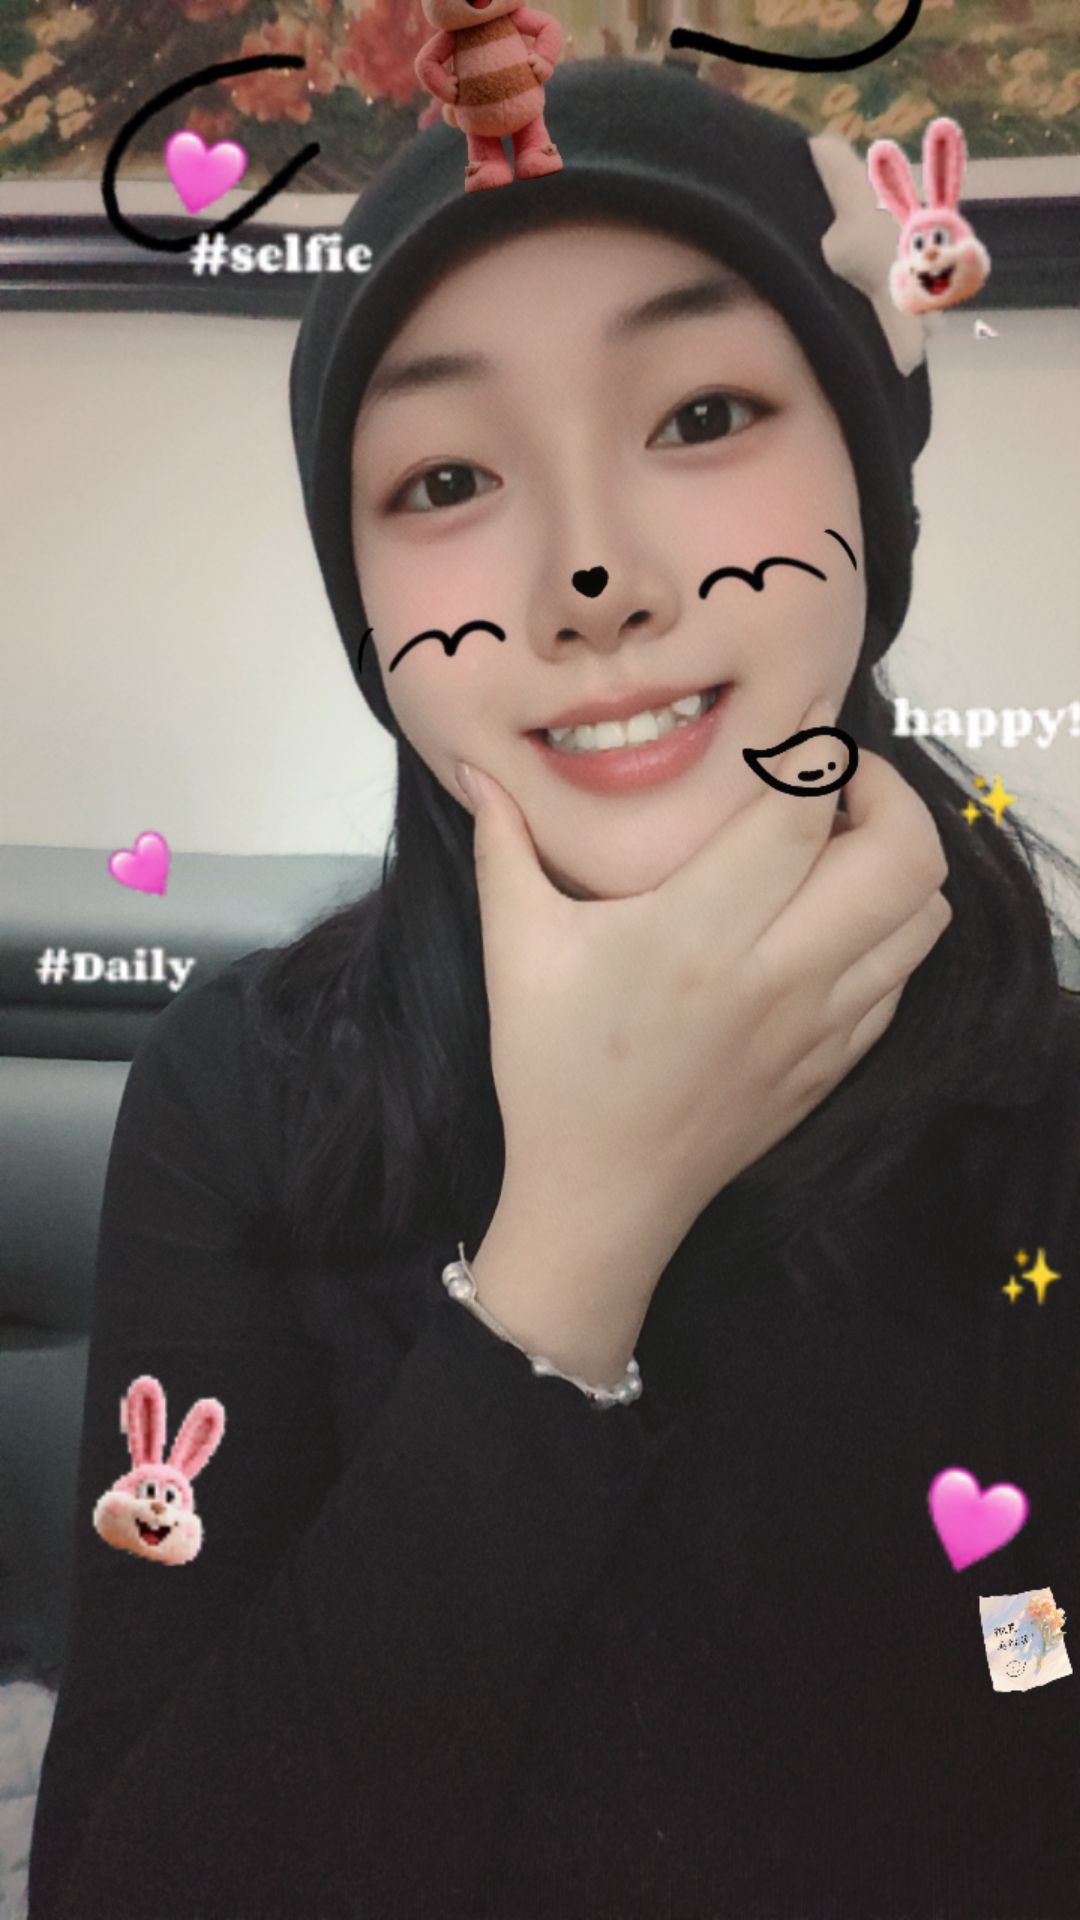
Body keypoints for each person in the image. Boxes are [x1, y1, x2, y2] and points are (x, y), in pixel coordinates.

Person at [28, 55, 1080, 1920]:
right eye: (447, 478)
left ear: (872, 488)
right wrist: (576, 1243)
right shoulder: (247, 1096)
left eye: (703, 413)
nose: (591, 574)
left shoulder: (1043, 1113)